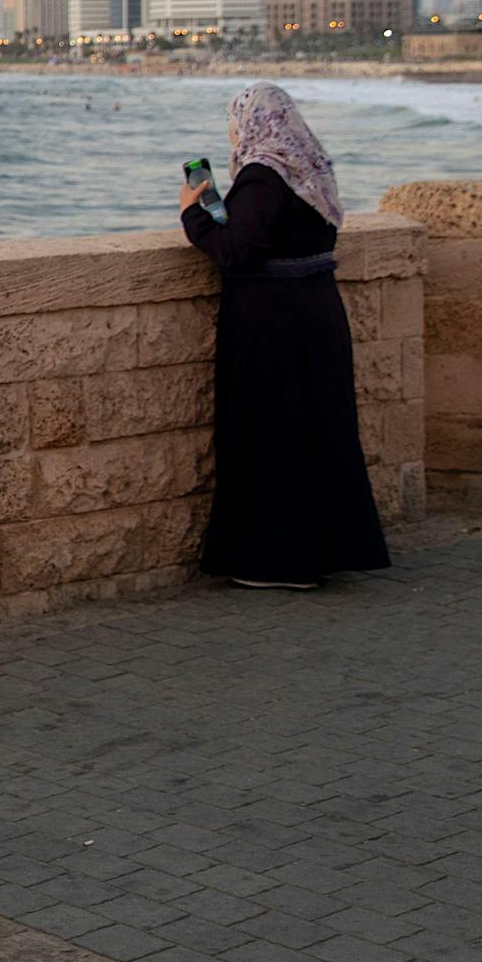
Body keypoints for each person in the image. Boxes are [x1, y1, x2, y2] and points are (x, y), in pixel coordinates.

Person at [179, 82, 390, 590]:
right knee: (316, 431)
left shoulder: (262, 174)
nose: (233, 133)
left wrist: (192, 213)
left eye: (236, 122)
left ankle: (277, 562)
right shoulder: (308, 168)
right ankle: (322, 553)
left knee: (272, 434)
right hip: (316, 313)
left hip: (273, 323)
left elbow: (238, 248)